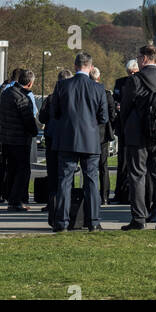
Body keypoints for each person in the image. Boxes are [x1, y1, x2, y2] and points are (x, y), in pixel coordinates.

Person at [51, 53, 108, 232]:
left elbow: (55, 113)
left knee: (65, 182)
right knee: (91, 181)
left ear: (75, 66)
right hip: (90, 140)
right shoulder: (98, 88)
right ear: (90, 67)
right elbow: (104, 117)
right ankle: (93, 221)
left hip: (67, 139)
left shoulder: (62, 85)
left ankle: (61, 222)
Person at [121, 43, 156, 231]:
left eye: (138, 57)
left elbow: (126, 108)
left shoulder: (135, 80)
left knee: (137, 175)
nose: (137, 60)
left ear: (144, 59)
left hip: (138, 135)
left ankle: (139, 218)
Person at [0, 68, 38, 212]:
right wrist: (35, 131)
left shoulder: (6, 93)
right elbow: (28, 119)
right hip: (20, 140)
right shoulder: (22, 97)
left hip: (6, 138)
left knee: (11, 169)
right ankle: (16, 201)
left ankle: (10, 198)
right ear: (29, 83)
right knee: (22, 171)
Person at [38, 68, 73, 225]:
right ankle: (66, 203)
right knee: (66, 173)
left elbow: (42, 117)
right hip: (66, 138)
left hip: (52, 137)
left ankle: (52, 203)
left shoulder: (51, 98)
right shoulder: (71, 97)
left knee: (52, 172)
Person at [112, 58, 139, 204]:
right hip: (122, 126)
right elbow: (115, 98)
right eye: (129, 73)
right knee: (121, 162)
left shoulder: (141, 81)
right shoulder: (120, 82)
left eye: (133, 72)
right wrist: (118, 105)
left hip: (135, 126)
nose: (131, 75)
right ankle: (120, 193)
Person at [91, 67, 116, 205]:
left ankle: (92, 194)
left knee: (90, 166)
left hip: (90, 133)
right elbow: (111, 114)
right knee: (103, 166)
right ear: (99, 78)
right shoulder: (106, 94)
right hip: (102, 134)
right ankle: (104, 196)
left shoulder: (87, 92)